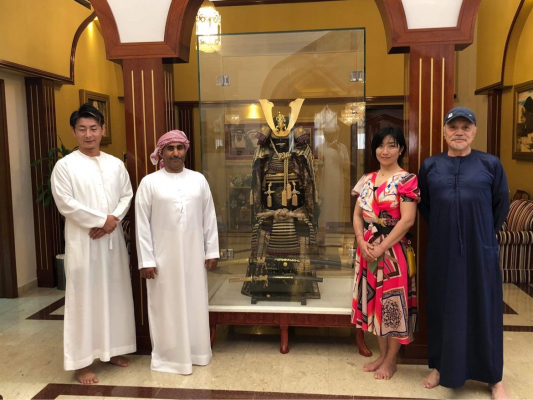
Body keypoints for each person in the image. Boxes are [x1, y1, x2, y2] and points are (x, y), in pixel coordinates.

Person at [418, 107, 510, 400]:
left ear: (474, 131)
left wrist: (480, 233)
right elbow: (426, 205)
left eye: (465, 127)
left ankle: (494, 378)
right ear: (444, 132)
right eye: (453, 127)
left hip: (480, 250)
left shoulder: (490, 164)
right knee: (442, 307)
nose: (459, 132)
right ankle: (439, 367)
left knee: (485, 308)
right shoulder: (430, 166)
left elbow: (501, 204)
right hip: (442, 250)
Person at [51, 103, 136, 384]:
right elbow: (66, 203)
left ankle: (112, 351)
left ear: (103, 130)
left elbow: (126, 195)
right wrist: (102, 220)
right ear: (74, 132)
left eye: (93, 128)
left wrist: (112, 220)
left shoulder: (115, 164)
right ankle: (82, 362)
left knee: (114, 294)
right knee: (84, 299)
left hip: (111, 242)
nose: (88, 135)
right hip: (84, 242)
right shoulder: (65, 166)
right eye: (82, 129)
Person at [135, 130, 219, 374]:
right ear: (161, 152)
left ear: (185, 151)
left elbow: (209, 217)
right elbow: (142, 224)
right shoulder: (149, 182)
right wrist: (146, 260)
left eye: (179, 148)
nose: (175, 153)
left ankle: (197, 352)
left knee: (195, 302)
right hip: (162, 258)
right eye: (170, 148)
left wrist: (211, 251)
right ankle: (168, 358)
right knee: (166, 305)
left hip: (194, 256)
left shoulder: (198, 179)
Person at [351, 127, 419, 380]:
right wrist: (361, 240)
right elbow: (357, 215)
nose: (385, 151)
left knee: (392, 305)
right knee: (375, 304)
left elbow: (408, 220)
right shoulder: (366, 179)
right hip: (367, 250)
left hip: (393, 252)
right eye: (381, 145)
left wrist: (382, 247)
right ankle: (382, 355)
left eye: (392, 145)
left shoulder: (407, 180)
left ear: (401, 149)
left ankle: (391, 360)